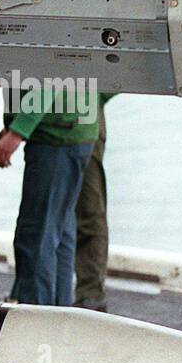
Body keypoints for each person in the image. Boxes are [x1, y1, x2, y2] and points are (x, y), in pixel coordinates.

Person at [0, 84, 112, 305]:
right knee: (60, 231)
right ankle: (58, 312)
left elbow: (49, 76)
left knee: (37, 234)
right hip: (70, 130)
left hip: (56, 133)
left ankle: (35, 315)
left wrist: (18, 130)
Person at [73, 100, 109, 311]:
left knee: (89, 212)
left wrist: (91, 95)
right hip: (60, 128)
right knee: (62, 215)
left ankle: (91, 293)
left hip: (84, 129)